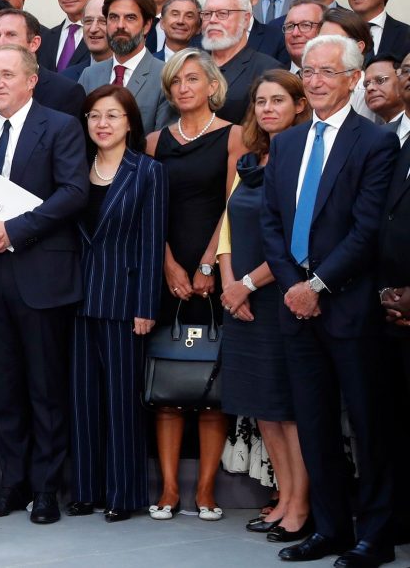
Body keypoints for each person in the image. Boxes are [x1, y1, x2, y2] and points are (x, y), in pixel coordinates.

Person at [263, 35, 398, 566]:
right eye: (308, 71)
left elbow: (366, 230)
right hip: (296, 309)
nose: (315, 81)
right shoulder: (287, 143)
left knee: (368, 425)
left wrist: (315, 286)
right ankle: (330, 527)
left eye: (326, 72)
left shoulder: (375, 142)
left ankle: (376, 535)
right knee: (314, 424)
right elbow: (272, 224)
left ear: (353, 78)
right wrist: (292, 286)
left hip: (348, 306)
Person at [0, 45, 88, 525]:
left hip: (41, 276)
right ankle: (11, 485)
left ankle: (46, 489)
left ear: (31, 80)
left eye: (7, 75)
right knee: (4, 390)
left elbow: (73, 192)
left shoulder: (60, 126)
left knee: (45, 389)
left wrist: (15, 230)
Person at [144, 49, 247, 522]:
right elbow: (149, 211)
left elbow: (233, 205)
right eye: (175, 81)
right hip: (167, 272)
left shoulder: (234, 136)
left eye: (192, 79)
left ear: (212, 85)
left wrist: (208, 263)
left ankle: (206, 489)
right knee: (167, 379)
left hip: (216, 268)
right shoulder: (154, 142)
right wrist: (168, 264)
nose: (183, 88)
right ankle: (168, 489)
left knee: (210, 383)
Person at [216, 71, 313, 542]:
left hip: (279, 296)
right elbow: (229, 226)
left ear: (299, 106)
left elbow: (298, 242)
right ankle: (284, 498)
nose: (268, 109)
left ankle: (301, 505)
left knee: (287, 408)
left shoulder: (305, 159)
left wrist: (248, 285)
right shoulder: (249, 159)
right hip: (240, 298)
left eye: (278, 100)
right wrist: (229, 283)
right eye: (261, 101)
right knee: (262, 409)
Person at [69, 85, 164, 522]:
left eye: (112, 115)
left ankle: (124, 494)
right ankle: (86, 490)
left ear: (129, 122)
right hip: (75, 299)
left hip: (124, 301)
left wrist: (146, 306)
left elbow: (152, 242)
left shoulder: (147, 171)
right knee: (82, 399)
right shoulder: (74, 168)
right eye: (94, 116)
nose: (102, 124)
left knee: (122, 402)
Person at [78, 0, 173, 132]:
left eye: (130, 18)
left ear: (147, 25)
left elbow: (163, 138)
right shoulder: (89, 75)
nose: (120, 25)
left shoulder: (165, 76)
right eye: (113, 17)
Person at [200, 0, 283, 124]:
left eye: (222, 13)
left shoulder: (268, 69)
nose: (212, 20)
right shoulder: (193, 64)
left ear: (245, 19)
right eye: (207, 14)